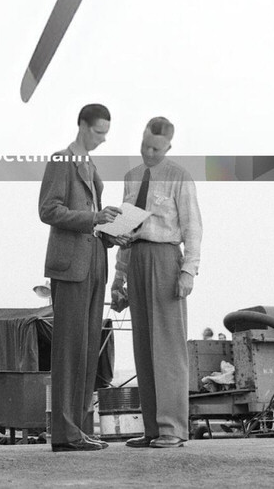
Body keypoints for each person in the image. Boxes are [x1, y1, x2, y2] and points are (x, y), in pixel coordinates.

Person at [111, 116, 202, 449]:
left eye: (156, 148)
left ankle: (172, 429)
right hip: (134, 257)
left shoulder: (180, 177)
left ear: (169, 147)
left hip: (166, 259)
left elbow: (193, 227)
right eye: (144, 145)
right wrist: (118, 279)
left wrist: (188, 271)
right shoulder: (131, 177)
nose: (148, 153)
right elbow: (125, 227)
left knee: (168, 348)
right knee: (144, 346)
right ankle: (152, 428)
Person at [38, 103, 120, 452]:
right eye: (99, 132)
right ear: (82, 127)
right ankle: (65, 434)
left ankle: (78, 430)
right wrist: (93, 219)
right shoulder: (62, 161)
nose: (103, 139)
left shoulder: (91, 166)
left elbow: (92, 217)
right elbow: (48, 210)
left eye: (106, 133)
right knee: (69, 351)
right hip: (71, 268)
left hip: (94, 262)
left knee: (87, 351)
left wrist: (111, 230)